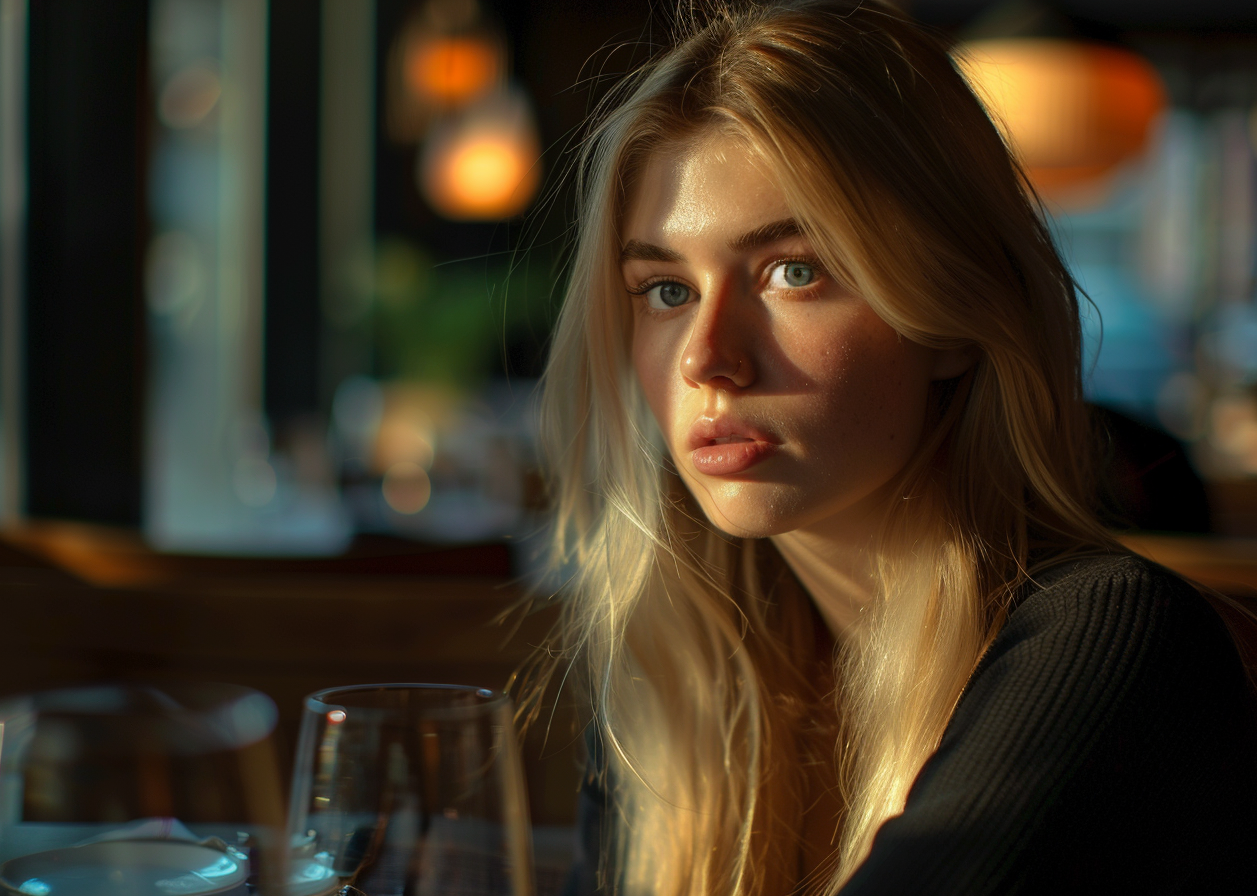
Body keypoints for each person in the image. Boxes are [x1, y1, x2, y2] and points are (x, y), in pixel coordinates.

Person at [532, 2, 1257, 894]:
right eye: (665, 289)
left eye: (795, 272)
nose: (707, 359)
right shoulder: (679, 677)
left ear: (952, 315)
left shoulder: (1113, 638)